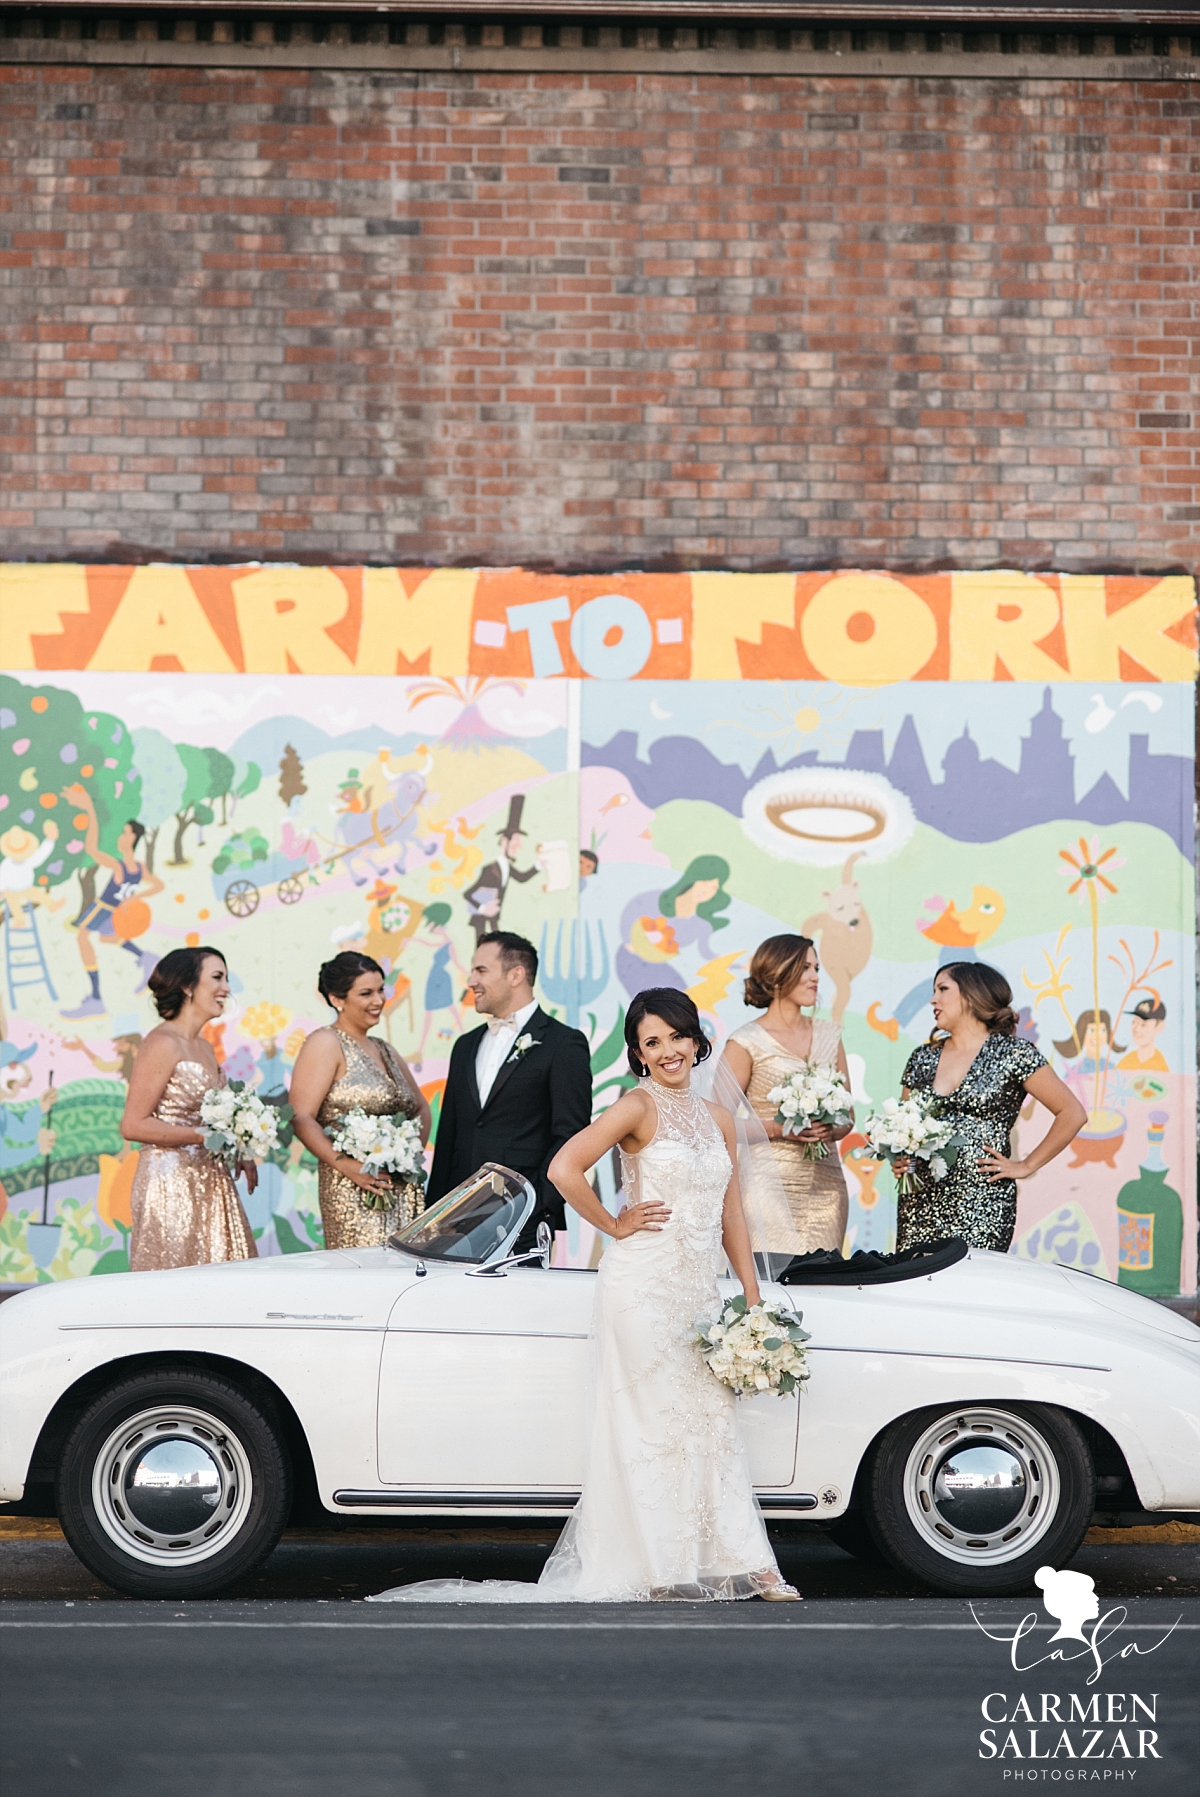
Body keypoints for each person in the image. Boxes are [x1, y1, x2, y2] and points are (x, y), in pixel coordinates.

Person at [370, 988, 798, 1604]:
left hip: (700, 1291)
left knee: (711, 1421)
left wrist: (752, 1298)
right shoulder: (636, 1106)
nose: (669, 1050)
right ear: (639, 1054)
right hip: (642, 1286)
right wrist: (616, 1224)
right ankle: (660, 1569)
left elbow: (730, 1210)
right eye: (653, 1042)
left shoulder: (720, 1118)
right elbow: (564, 1168)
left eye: (678, 1036)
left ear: (696, 1039)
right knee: (650, 1424)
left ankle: (747, 1562)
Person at [898, 962, 1085, 1253]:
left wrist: (1026, 1165)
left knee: (975, 1287)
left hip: (983, 1202)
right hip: (920, 1201)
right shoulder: (922, 1057)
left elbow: (1072, 1113)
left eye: (943, 989)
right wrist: (900, 1159)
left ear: (971, 996)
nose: (933, 1000)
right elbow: (904, 1126)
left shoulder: (1015, 1054)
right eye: (934, 991)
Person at [427, 931, 591, 1251]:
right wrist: (434, 1215)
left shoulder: (563, 1044)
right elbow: (449, 1135)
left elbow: (571, 1136)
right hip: (454, 1223)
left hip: (523, 1221)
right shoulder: (464, 1045)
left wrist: (538, 1207)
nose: (471, 980)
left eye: (481, 971)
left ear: (516, 975)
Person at [121, 946, 257, 1272]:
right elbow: (133, 1125)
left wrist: (240, 1147)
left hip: (213, 1180)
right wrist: (203, 1136)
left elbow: (218, 1116)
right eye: (217, 977)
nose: (226, 987)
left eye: (226, 978)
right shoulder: (162, 1043)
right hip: (170, 1183)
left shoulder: (206, 1048)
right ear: (187, 986)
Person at [722, 933, 853, 1256]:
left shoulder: (829, 1035)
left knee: (824, 1284)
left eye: (817, 968)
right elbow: (717, 1122)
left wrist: (831, 1128)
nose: (815, 977)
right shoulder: (745, 1042)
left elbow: (849, 1117)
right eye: (806, 968)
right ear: (779, 973)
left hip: (827, 1188)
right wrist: (779, 1129)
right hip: (767, 1188)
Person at [290, 951, 430, 1250]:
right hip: (353, 1190)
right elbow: (301, 1117)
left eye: (381, 990)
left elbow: (420, 1107)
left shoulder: (385, 1048)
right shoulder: (325, 1043)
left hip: (404, 1189)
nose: (379, 1001)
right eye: (366, 993)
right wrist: (348, 1165)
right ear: (337, 998)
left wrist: (407, 1155)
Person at [61, 784, 163, 1019]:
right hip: (117, 913)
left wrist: (90, 810)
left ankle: (96, 999)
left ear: (133, 838)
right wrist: (135, 897)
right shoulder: (139, 868)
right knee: (109, 938)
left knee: (83, 937)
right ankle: (145, 957)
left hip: (104, 908)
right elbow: (159, 885)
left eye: (125, 832)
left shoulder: (119, 866)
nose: (121, 836)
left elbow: (91, 848)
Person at [464, 794, 538, 945]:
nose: (519, 846)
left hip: (494, 917)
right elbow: (468, 893)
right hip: (482, 918)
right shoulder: (489, 869)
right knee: (483, 950)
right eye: (516, 840)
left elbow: (522, 878)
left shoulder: (508, 868)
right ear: (505, 841)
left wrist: (539, 866)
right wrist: (483, 908)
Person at [1116, 998, 1168, 1073]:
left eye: (1143, 1025)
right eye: (1134, 1022)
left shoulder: (1160, 1066)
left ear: (1159, 1027)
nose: (1136, 1029)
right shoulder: (1127, 1060)